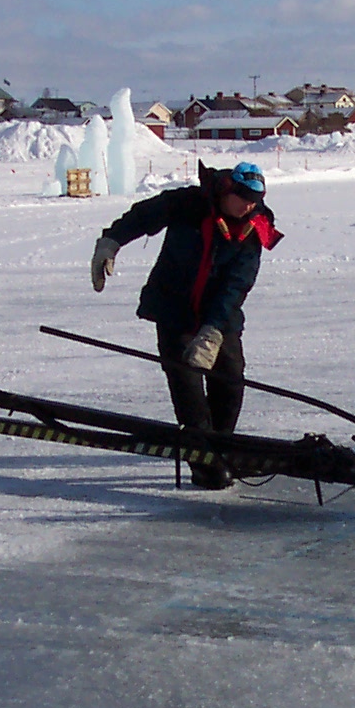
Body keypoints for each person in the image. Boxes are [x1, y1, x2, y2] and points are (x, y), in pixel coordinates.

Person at [90, 160, 280, 488]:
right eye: (244, 197)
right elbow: (143, 216)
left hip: (221, 313)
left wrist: (213, 330)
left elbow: (238, 282)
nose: (249, 205)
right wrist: (111, 242)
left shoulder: (257, 224)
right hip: (174, 309)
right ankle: (201, 459)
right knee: (187, 384)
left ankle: (221, 448)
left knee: (231, 378)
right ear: (227, 190)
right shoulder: (189, 203)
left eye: (255, 199)